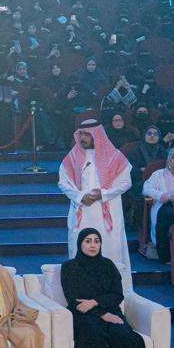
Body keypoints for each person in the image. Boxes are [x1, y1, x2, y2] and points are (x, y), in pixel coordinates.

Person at [61, 228, 152, 348]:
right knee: (94, 335)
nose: (93, 245)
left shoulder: (108, 265)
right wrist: (101, 313)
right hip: (83, 315)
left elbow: (117, 295)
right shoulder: (69, 267)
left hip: (110, 311)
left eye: (97, 241)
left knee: (125, 336)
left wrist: (95, 302)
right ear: (80, 244)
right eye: (88, 241)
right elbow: (74, 299)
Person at [59, 119, 133, 289]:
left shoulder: (114, 156)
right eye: (81, 134)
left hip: (107, 212)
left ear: (97, 135)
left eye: (87, 134)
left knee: (109, 249)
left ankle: (112, 292)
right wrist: (80, 197)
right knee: (80, 247)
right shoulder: (73, 157)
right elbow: (63, 183)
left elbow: (125, 182)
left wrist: (103, 194)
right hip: (82, 211)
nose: (83, 138)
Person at [141, 145, 174, 261]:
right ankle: (166, 255)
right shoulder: (159, 174)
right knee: (168, 213)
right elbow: (146, 189)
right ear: (169, 158)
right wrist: (164, 196)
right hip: (165, 206)